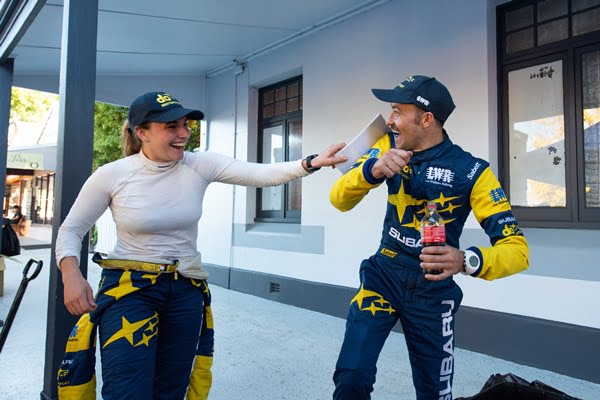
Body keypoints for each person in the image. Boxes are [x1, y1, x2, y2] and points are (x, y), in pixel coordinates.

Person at [55, 91, 348, 400]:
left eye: (185, 125)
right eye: (171, 127)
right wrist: (71, 275)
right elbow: (71, 230)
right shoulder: (112, 175)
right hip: (129, 290)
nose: (183, 134)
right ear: (142, 133)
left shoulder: (199, 164)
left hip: (185, 290)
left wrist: (311, 162)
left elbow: (260, 173)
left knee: (172, 387)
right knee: (127, 389)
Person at [330, 75, 529, 400]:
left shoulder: (472, 171)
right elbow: (338, 200)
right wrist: (372, 171)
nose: (390, 120)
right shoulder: (384, 146)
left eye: (397, 111)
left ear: (426, 119)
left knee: (434, 394)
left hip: (433, 294)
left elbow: (517, 251)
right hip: (383, 276)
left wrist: (466, 260)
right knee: (351, 375)